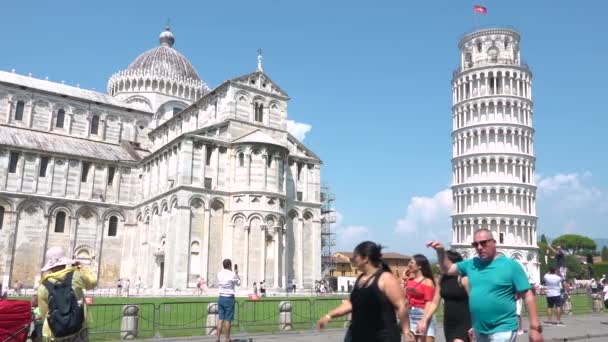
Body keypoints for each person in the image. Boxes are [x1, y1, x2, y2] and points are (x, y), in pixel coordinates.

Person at [427, 229, 543, 342]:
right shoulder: (472, 264)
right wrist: (440, 252)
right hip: (480, 330)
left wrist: (534, 328)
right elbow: (448, 269)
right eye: (475, 244)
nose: (479, 247)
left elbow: (528, 296)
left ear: (494, 242)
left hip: (503, 328)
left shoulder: (511, 265)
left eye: (483, 243)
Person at [317, 241, 415, 342]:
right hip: (360, 335)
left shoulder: (385, 278)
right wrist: (329, 315)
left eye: (356, 256)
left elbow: (401, 305)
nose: (353, 259)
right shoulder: (360, 279)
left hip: (383, 336)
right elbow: (351, 304)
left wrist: (406, 332)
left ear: (365, 258)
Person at [38, 246, 97, 341]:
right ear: (64, 262)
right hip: (79, 327)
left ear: (50, 266)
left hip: (56, 332)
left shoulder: (43, 286)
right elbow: (92, 283)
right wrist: (83, 268)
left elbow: (44, 312)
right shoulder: (77, 275)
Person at [423, 250, 471, 342]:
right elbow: (434, 302)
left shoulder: (464, 278)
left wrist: (476, 324)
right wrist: (425, 319)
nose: (440, 264)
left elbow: (474, 301)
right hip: (449, 322)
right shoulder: (442, 279)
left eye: (442, 261)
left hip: (465, 321)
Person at [405, 254, 437, 342]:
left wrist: (424, 320)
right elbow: (404, 299)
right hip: (411, 315)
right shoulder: (409, 281)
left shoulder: (428, 282)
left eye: (412, 262)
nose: (409, 265)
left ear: (419, 266)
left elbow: (429, 302)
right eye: (409, 262)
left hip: (424, 314)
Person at [216, 259, 240, 342]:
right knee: (228, 320)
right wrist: (236, 274)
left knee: (220, 319)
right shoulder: (232, 274)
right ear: (230, 265)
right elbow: (238, 283)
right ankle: (227, 338)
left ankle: (218, 338)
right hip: (229, 298)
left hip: (221, 297)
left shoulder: (219, 274)